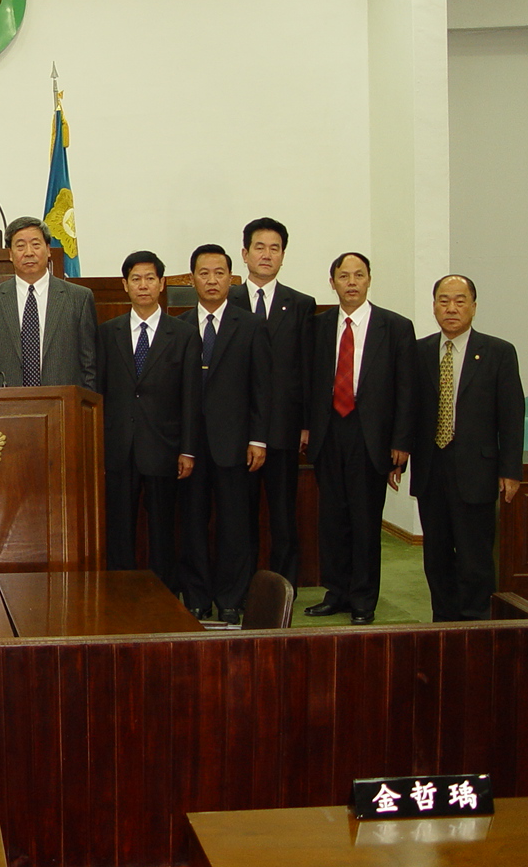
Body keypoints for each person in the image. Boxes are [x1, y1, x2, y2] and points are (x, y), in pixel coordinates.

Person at [305, 252, 415, 625]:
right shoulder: (318, 327)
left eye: (358, 275)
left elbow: (406, 390)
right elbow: (309, 383)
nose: (351, 282)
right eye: (343, 276)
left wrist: (401, 441)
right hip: (328, 432)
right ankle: (336, 592)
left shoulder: (395, 327)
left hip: (373, 437)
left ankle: (364, 598)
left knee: (367, 520)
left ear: (369, 280)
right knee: (333, 520)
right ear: (332, 282)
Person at [411, 275, 523, 621]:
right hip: (432, 469)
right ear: (433, 307)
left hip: (478, 470)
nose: (451, 308)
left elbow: (512, 415)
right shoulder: (420, 351)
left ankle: (476, 621)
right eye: (444, 301)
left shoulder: (499, 352)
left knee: (475, 556)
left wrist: (510, 470)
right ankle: (443, 620)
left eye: (460, 301)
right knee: (437, 554)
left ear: (474, 306)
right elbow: (408, 410)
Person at [96, 251, 201, 592]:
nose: (143, 285)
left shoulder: (183, 334)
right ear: (125, 285)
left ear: (162, 284)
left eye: (150, 278)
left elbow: (190, 396)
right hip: (119, 448)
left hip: (165, 448)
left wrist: (187, 449)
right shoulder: (107, 332)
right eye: (136, 279)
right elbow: (100, 392)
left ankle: (165, 598)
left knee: (162, 532)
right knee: (120, 532)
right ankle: (120, 599)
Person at [178, 245, 270, 623]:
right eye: (204, 273)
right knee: (193, 523)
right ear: (191, 279)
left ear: (231, 279)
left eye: (220, 273)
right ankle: (198, 596)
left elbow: (263, 387)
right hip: (190, 446)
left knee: (235, 526)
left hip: (236, 444)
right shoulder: (179, 325)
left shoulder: (250, 325)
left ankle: (232, 598)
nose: (212, 280)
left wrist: (258, 439)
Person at [228, 218, 316, 585]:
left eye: (275, 248)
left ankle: (283, 588)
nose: (267, 255)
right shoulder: (225, 299)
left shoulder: (300, 305)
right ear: (245, 254)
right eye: (259, 248)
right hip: (235, 429)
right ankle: (242, 587)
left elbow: (308, 369)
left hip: (282, 428)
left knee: (282, 515)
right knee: (240, 515)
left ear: (283, 255)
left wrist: (306, 424)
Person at [0, 216, 96, 389]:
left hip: (63, 405)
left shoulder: (78, 298)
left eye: (36, 245)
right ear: (10, 254)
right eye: (20, 246)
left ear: (48, 249)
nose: (29, 252)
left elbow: (89, 364)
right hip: (6, 407)